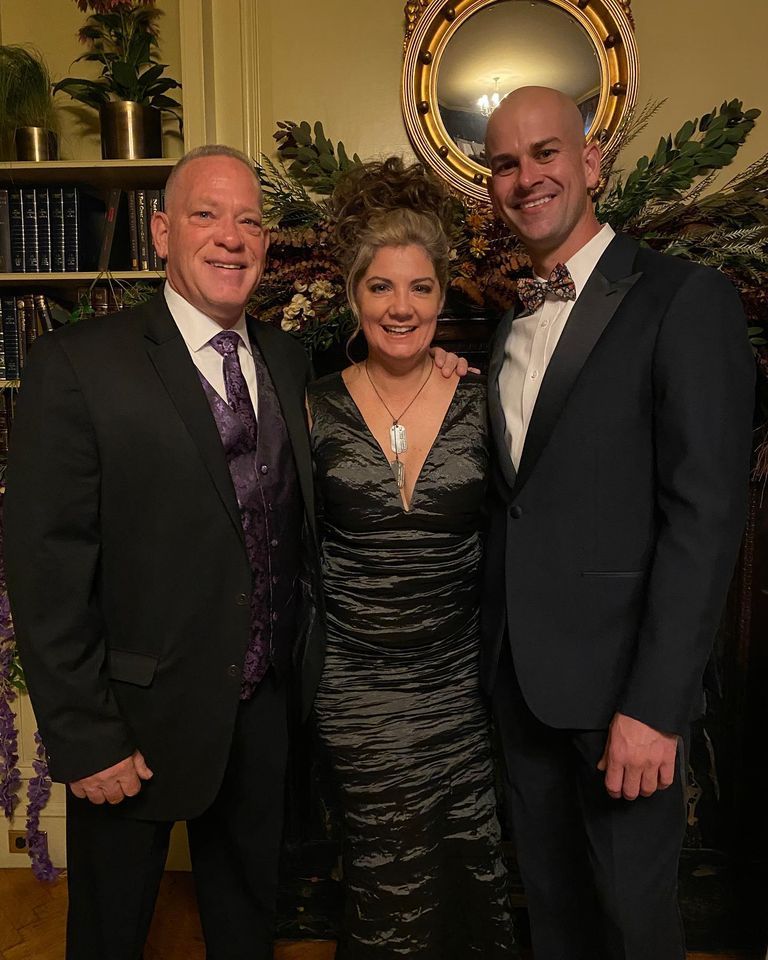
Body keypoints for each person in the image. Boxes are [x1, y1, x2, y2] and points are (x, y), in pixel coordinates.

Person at [2, 145, 325, 960]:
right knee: (110, 936)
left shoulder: (288, 360)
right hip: (130, 727)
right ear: (160, 232)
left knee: (249, 927)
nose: (231, 237)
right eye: (205, 215)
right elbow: (46, 567)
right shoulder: (80, 364)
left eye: (249, 220)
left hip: (262, 717)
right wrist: (84, 735)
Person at [480, 86, 755, 960]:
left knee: (636, 930)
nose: (527, 178)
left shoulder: (686, 299)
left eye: (546, 153)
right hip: (521, 686)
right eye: (505, 164)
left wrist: (655, 707)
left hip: (624, 701)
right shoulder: (509, 324)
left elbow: (706, 516)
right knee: (554, 922)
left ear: (591, 163)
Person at [308, 158, 515, 958]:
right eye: (382, 288)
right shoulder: (313, 404)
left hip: (456, 688)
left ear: (443, 294)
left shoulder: (484, 396)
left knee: (466, 865)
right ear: (354, 296)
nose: (402, 307)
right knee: (383, 875)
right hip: (355, 690)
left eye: (420, 287)